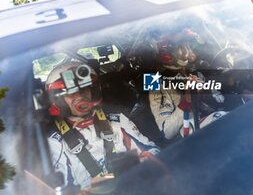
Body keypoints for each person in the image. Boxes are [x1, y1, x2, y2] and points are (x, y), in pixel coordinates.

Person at [46, 61, 159, 192]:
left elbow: (153, 150)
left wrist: (143, 161)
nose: (80, 97)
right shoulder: (55, 142)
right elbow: (62, 190)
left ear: (93, 91)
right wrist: (89, 188)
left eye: (84, 89)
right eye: (71, 93)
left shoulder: (116, 119)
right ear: (60, 100)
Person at [148, 29, 226, 141]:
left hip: (215, 120)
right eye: (182, 46)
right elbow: (167, 131)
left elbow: (221, 100)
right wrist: (186, 102)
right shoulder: (154, 82)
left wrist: (206, 93)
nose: (188, 50)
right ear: (168, 53)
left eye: (188, 45)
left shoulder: (195, 74)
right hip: (192, 137)